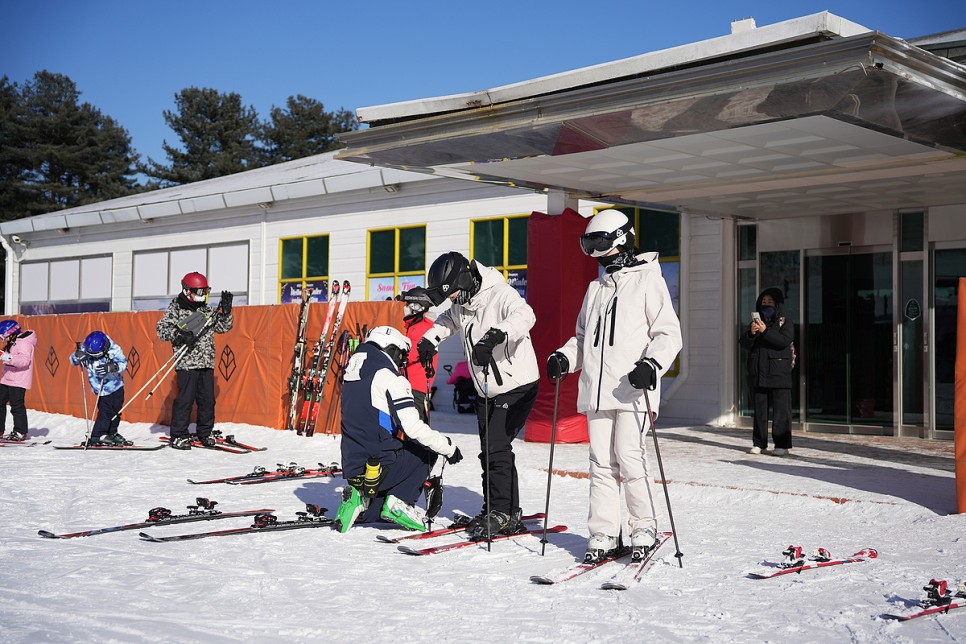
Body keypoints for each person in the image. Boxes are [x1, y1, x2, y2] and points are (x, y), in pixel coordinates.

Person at [548, 209, 683, 564]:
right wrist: (565, 357)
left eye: (601, 245)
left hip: (632, 389)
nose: (597, 254)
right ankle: (604, 531)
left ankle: (643, 526)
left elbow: (668, 332)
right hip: (596, 390)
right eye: (589, 246)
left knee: (629, 457)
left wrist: (651, 364)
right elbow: (582, 338)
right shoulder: (596, 288)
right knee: (600, 463)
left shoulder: (646, 280)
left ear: (622, 239)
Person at [418, 251, 540, 538]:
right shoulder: (463, 302)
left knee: (497, 446)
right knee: (490, 451)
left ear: (467, 279)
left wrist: (497, 335)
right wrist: (430, 338)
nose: (454, 300)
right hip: (485, 388)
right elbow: (448, 320)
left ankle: (501, 512)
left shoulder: (500, 294)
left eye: (455, 293)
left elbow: (526, 315)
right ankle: (500, 510)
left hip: (517, 384)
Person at [335, 326, 463, 533]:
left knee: (376, 515)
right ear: (391, 349)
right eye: (402, 354)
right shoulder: (390, 377)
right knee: (426, 450)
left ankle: (362, 499)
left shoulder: (352, 372)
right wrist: (448, 447)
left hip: (354, 468)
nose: (402, 361)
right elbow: (413, 429)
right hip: (380, 467)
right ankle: (399, 503)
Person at [155, 272, 233, 450]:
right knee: (185, 400)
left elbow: (223, 328)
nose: (203, 295)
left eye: (205, 291)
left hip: (206, 361)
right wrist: (179, 334)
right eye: (199, 291)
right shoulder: (177, 307)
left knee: (207, 400)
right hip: (187, 362)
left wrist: (226, 312)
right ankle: (178, 435)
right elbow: (161, 329)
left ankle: (205, 433)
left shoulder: (205, 309)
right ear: (187, 291)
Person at [739, 287, 795, 456]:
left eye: (770, 302)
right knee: (760, 411)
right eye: (764, 302)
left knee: (781, 412)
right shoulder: (756, 322)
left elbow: (784, 341)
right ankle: (759, 443)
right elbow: (744, 343)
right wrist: (751, 333)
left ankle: (781, 445)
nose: (766, 304)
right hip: (759, 373)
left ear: (777, 304)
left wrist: (765, 332)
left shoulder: (785, 322)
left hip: (779, 373)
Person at [70, 331, 130, 446]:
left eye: (97, 355)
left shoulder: (114, 349)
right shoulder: (86, 347)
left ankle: (112, 433)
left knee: (116, 411)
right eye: (91, 354)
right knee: (105, 411)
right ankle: (98, 435)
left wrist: (112, 366)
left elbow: (124, 363)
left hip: (116, 385)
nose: (93, 357)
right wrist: (77, 356)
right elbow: (73, 361)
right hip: (101, 387)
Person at [397, 287, 438, 423]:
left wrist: (396, 358)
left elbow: (412, 352)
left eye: (408, 305)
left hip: (417, 382)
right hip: (412, 380)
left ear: (417, 307)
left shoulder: (421, 327)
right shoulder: (415, 325)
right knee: (413, 420)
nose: (406, 309)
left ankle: (418, 445)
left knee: (416, 422)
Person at [0, 319, 36, 441]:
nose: (3, 340)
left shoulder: (24, 343)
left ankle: (20, 431)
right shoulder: (13, 342)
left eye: (4, 337)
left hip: (19, 379)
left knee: (16, 405)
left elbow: (24, 361)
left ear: (11, 333)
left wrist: (7, 356)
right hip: (7, 378)